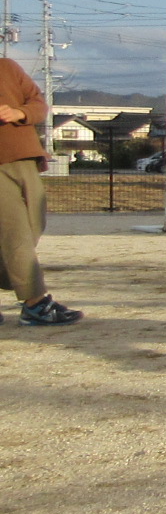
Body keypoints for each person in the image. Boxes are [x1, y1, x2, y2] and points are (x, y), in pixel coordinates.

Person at [0, 57, 83, 327]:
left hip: (24, 157)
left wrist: (19, 113)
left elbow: (38, 103)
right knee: (16, 234)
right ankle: (35, 304)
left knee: (35, 225)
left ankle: (17, 284)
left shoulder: (7, 67)